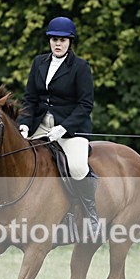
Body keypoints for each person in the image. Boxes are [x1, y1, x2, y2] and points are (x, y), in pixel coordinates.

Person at [17, 16, 100, 237]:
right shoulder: (39, 63)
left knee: (78, 167)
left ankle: (90, 213)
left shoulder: (80, 67)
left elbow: (85, 104)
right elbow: (30, 99)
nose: (58, 43)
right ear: (49, 41)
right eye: (54, 39)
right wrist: (24, 124)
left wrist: (63, 128)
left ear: (70, 42)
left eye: (63, 40)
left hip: (71, 127)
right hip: (40, 124)